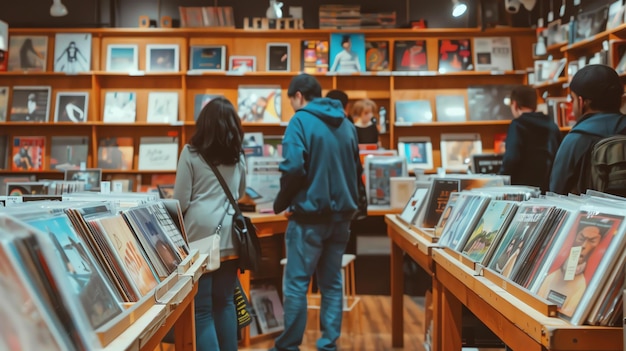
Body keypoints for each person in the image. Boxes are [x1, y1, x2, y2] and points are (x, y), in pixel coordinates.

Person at [270, 74, 360, 351]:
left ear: (298, 96)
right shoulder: (347, 124)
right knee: (332, 283)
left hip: (308, 219)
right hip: (341, 218)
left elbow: (294, 167)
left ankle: (288, 346)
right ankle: (328, 345)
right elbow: (356, 170)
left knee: (297, 284)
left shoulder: (300, 121)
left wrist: (281, 202)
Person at [174, 97, 246, 351]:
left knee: (201, 309)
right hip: (230, 235)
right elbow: (241, 191)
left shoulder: (190, 153)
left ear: (203, 123)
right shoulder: (238, 155)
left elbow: (181, 201)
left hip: (200, 235)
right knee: (225, 302)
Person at [550, 64, 626, 194]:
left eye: (572, 99)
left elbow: (557, 192)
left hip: (593, 214)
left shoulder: (575, 139)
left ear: (581, 102)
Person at [499, 85, 561, 193]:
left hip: (521, 191)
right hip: (547, 191)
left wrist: (499, 180)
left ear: (514, 104)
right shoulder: (552, 125)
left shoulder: (518, 125)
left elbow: (511, 158)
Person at [536, 223, 606, 317]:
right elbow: (537, 300)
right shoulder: (552, 275)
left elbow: (568, 314)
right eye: (581, 239)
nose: (584, 245)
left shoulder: (582, 285)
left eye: (592, 241)